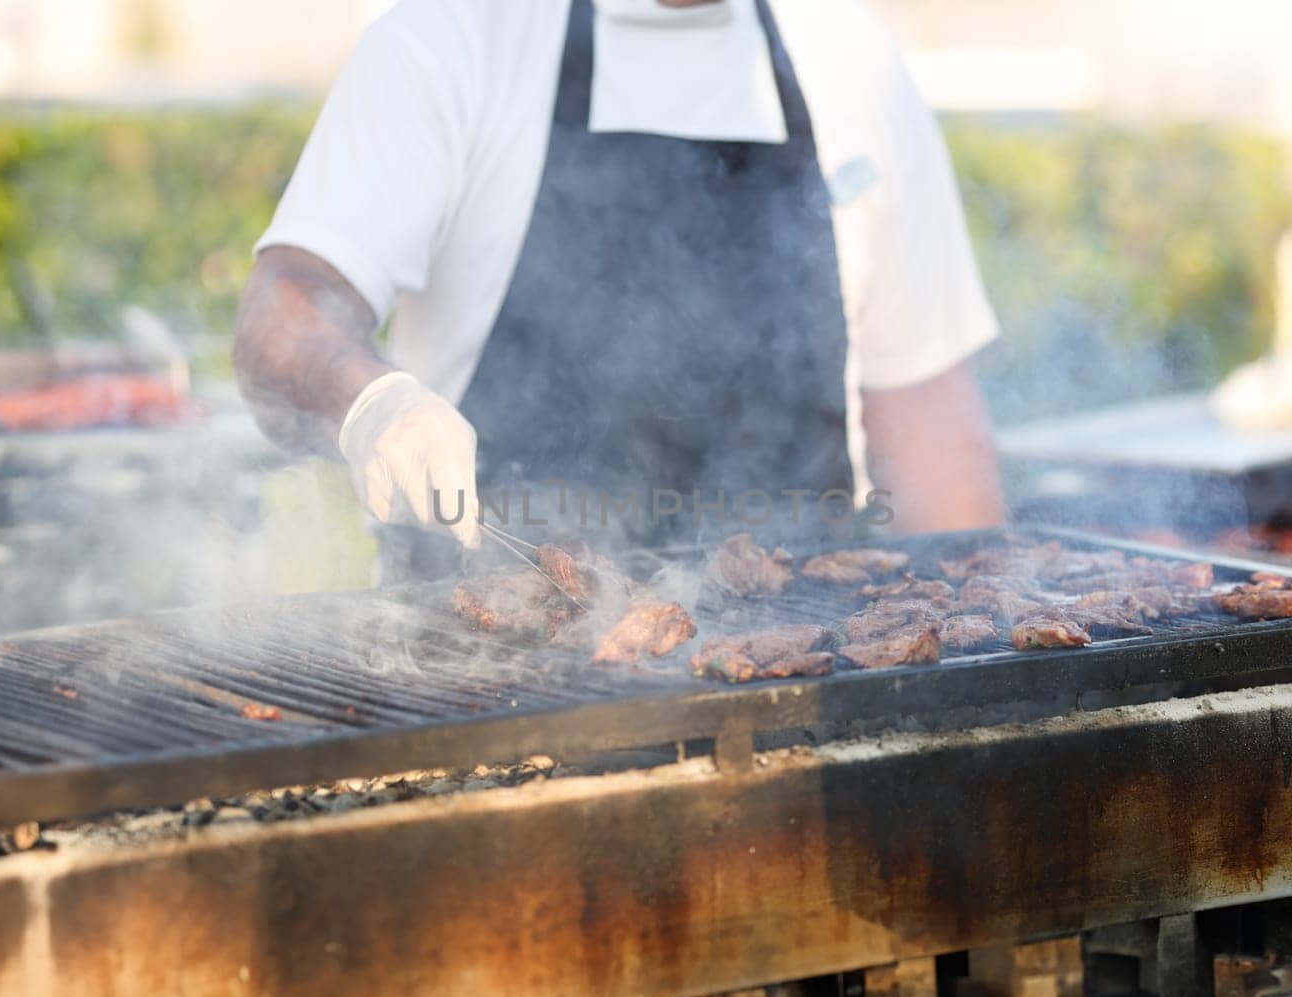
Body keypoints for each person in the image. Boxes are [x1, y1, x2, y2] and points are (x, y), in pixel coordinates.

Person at [234, 0, 1004, 576]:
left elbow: (930, 422)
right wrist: (370, 401)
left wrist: (998, 679)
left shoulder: (851, 60)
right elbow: (289, 303)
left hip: (809, 693)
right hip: (476, 690)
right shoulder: (458, 33)